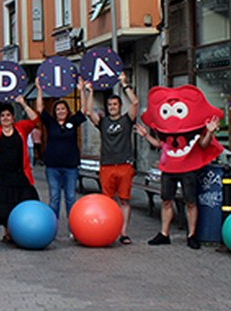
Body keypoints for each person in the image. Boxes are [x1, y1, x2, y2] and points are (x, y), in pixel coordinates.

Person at [135, 117, 220, 249]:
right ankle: (164, 234)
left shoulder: (192, 125)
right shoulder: (166, 126)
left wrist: (209, 132)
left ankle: (191, 235)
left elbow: (203, 144)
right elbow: (159, 144)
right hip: (169, 169)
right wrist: (146, 135)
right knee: (166, 201)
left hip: (188, 169)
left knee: (190, 202)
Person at [0, 93, 40, 242]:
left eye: (8, 115)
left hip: (19, 174)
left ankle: (21, 232)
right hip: (0, 175)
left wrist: (23, 103)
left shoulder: (21, 128)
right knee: (3, 206)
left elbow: (35, 119)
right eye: (2, 115)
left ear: (13, 117)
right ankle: (8, 233)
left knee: (24, 201)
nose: (5, 118)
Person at [84, 72, 139, 245]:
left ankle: (123, 233)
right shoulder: (103, 122)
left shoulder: (127, 120)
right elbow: (87, 111)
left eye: (115, 104)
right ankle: (109, 230)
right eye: (110, 105)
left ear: (120, 106)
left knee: (124, 200)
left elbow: (136, 103)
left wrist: (124, 84)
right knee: (107, 201)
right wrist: (90, 92)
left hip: (124, 165)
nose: (112, 107)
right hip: (107, 166)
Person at [35, 78, 88, 226]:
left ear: (67, 110)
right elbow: (40, 109)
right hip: (53, 166)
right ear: (55, 112)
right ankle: (53, 226)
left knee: (71, 197)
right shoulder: (50, 123)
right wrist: (39, 89)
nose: (61, 111)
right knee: (54, 197)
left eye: (63, 109)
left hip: (70, 166)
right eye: (58, 109)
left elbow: (83, 110)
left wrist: (81, 90)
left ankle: (74, 227)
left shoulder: (73, 121)